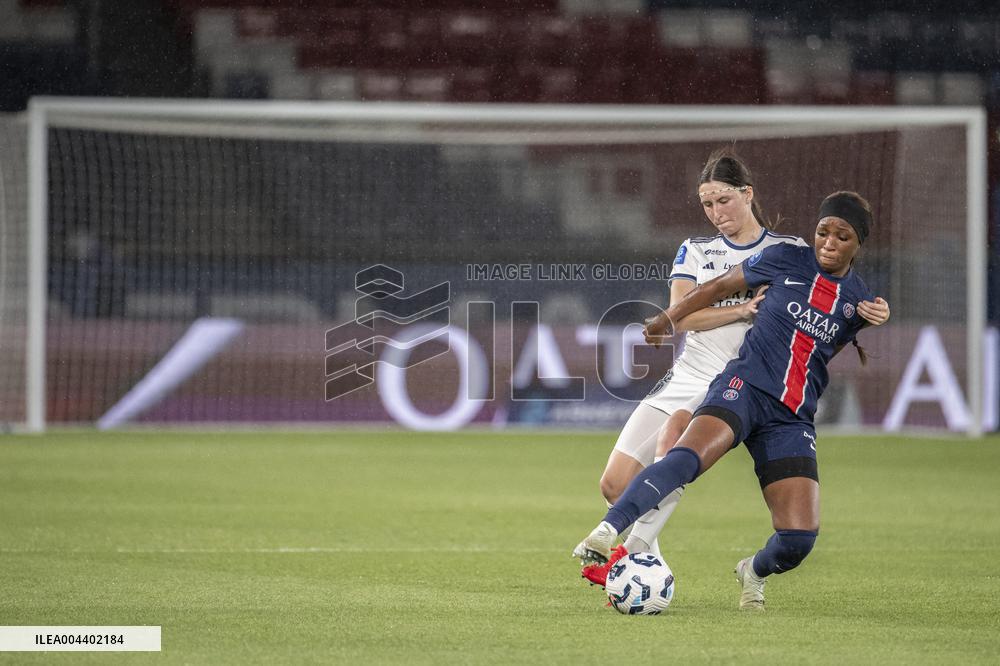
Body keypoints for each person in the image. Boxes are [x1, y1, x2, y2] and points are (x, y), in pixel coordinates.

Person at [583, 153, 889, 587]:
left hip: (738, 377)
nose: (716, 213)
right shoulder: (696, 249)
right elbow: (684, 315)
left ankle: (633, 563)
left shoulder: (788, 250)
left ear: (747, 194)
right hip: (690, 370)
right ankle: (643, 559)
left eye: (723, 201)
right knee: (613, 484)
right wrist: (740, 310)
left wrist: (872, 312)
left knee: (675, 443)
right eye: (707, 204)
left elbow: (828, 314)